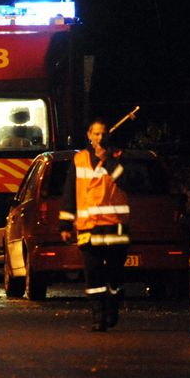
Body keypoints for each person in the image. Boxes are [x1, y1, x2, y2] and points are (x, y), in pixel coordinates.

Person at [58, 118, 130, 331]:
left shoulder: (118, 157)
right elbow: (70, 192)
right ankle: (98, 316)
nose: (99, 138)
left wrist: (107, 160)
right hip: (88, 226)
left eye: (103, 134)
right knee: (93, 273)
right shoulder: (79, 159)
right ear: (89, 135)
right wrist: (64, 224)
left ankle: (113, 303)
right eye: (96, 134)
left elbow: (126, 182)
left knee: (115, 275)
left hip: (115, 227)